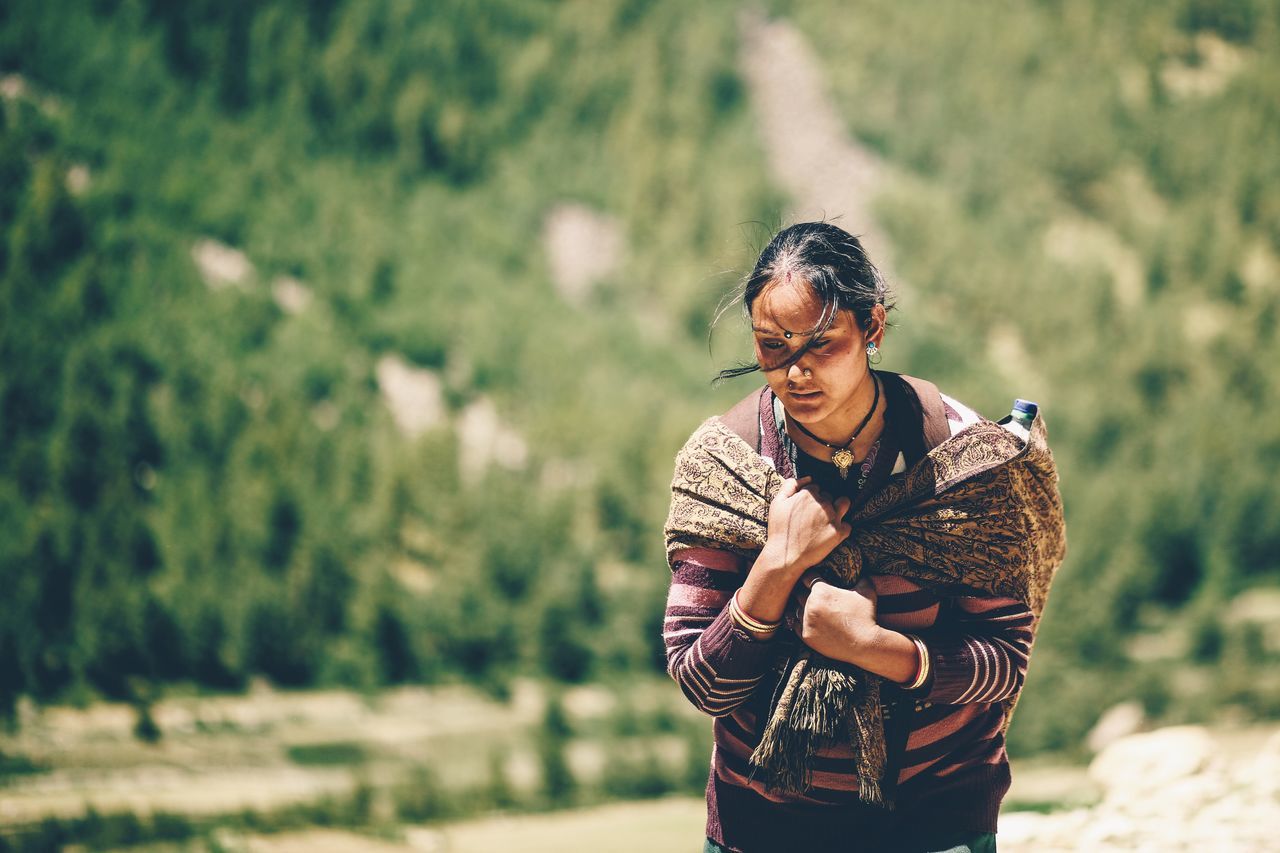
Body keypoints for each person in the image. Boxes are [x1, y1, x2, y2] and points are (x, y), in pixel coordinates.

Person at [662, 222, 1066, 853]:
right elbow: (701, 681)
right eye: (772, 347)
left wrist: (872, 646)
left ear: (871, 328)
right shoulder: (726, 467)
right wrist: (777, 564)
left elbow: (1004, 664)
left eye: (823, 345)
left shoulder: (961, 461)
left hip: (938, 813)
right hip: (762, 822)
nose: (796, 373)